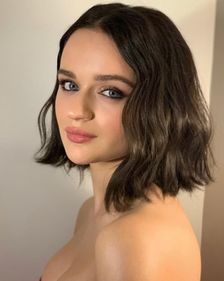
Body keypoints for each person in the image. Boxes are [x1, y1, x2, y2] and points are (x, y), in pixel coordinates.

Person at [34, 3, 214, 281]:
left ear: (160, 106)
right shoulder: (90, 214)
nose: (77, 111)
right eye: (69, 84)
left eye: (111, 91)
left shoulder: (134, 240)